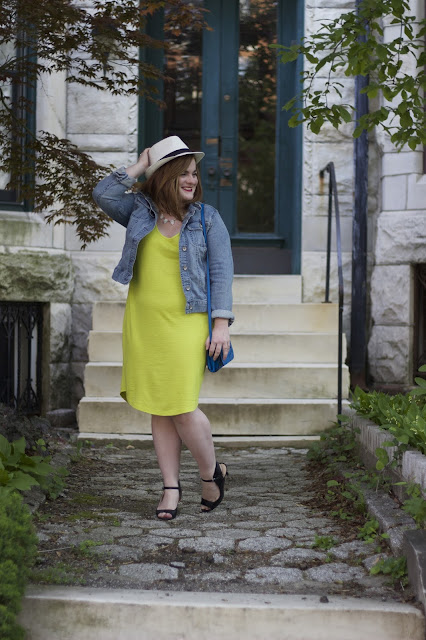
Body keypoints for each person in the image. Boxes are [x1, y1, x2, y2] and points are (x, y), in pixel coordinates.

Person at [92, 136, 234, 520]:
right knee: (160, 405)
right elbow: (103, 193)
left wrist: (221, 325)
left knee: (182, 405)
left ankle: (210, 474)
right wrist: (141, 166)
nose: (191, 180)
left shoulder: (207, 218)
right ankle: (170, 486)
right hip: (144, 322)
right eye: (182, 173)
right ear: (164, 176)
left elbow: (222, 274)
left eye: (194, 174)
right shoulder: (140, 211)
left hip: (188, 323)